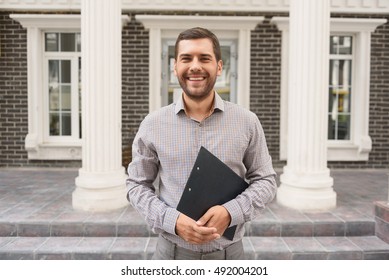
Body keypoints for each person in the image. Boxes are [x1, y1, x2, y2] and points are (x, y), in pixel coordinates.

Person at [126, 27, 277, 260]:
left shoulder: (247, 122)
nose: (195, 66)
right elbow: (136, 185)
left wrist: (230, 212)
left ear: (219, 66)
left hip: (229, 257)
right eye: (186, 58)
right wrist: (172, 221)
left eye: (204, 58)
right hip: (171, 256)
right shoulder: (153, 124)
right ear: (175, 66)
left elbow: (266, 181)